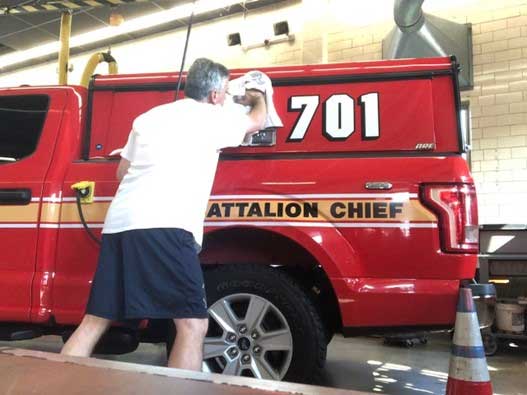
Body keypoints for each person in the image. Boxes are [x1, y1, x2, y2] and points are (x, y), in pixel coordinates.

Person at [61, 58, 267, 371]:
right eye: (225, 92)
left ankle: (54, 386)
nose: (226, 98)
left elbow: (121, 172)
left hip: (120, 226)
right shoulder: (214, 118)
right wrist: (258, 97)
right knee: (192, 325)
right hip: (166, 226)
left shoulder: (147, 118)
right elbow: (258, 121)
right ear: (213, 95)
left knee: (95, 320)